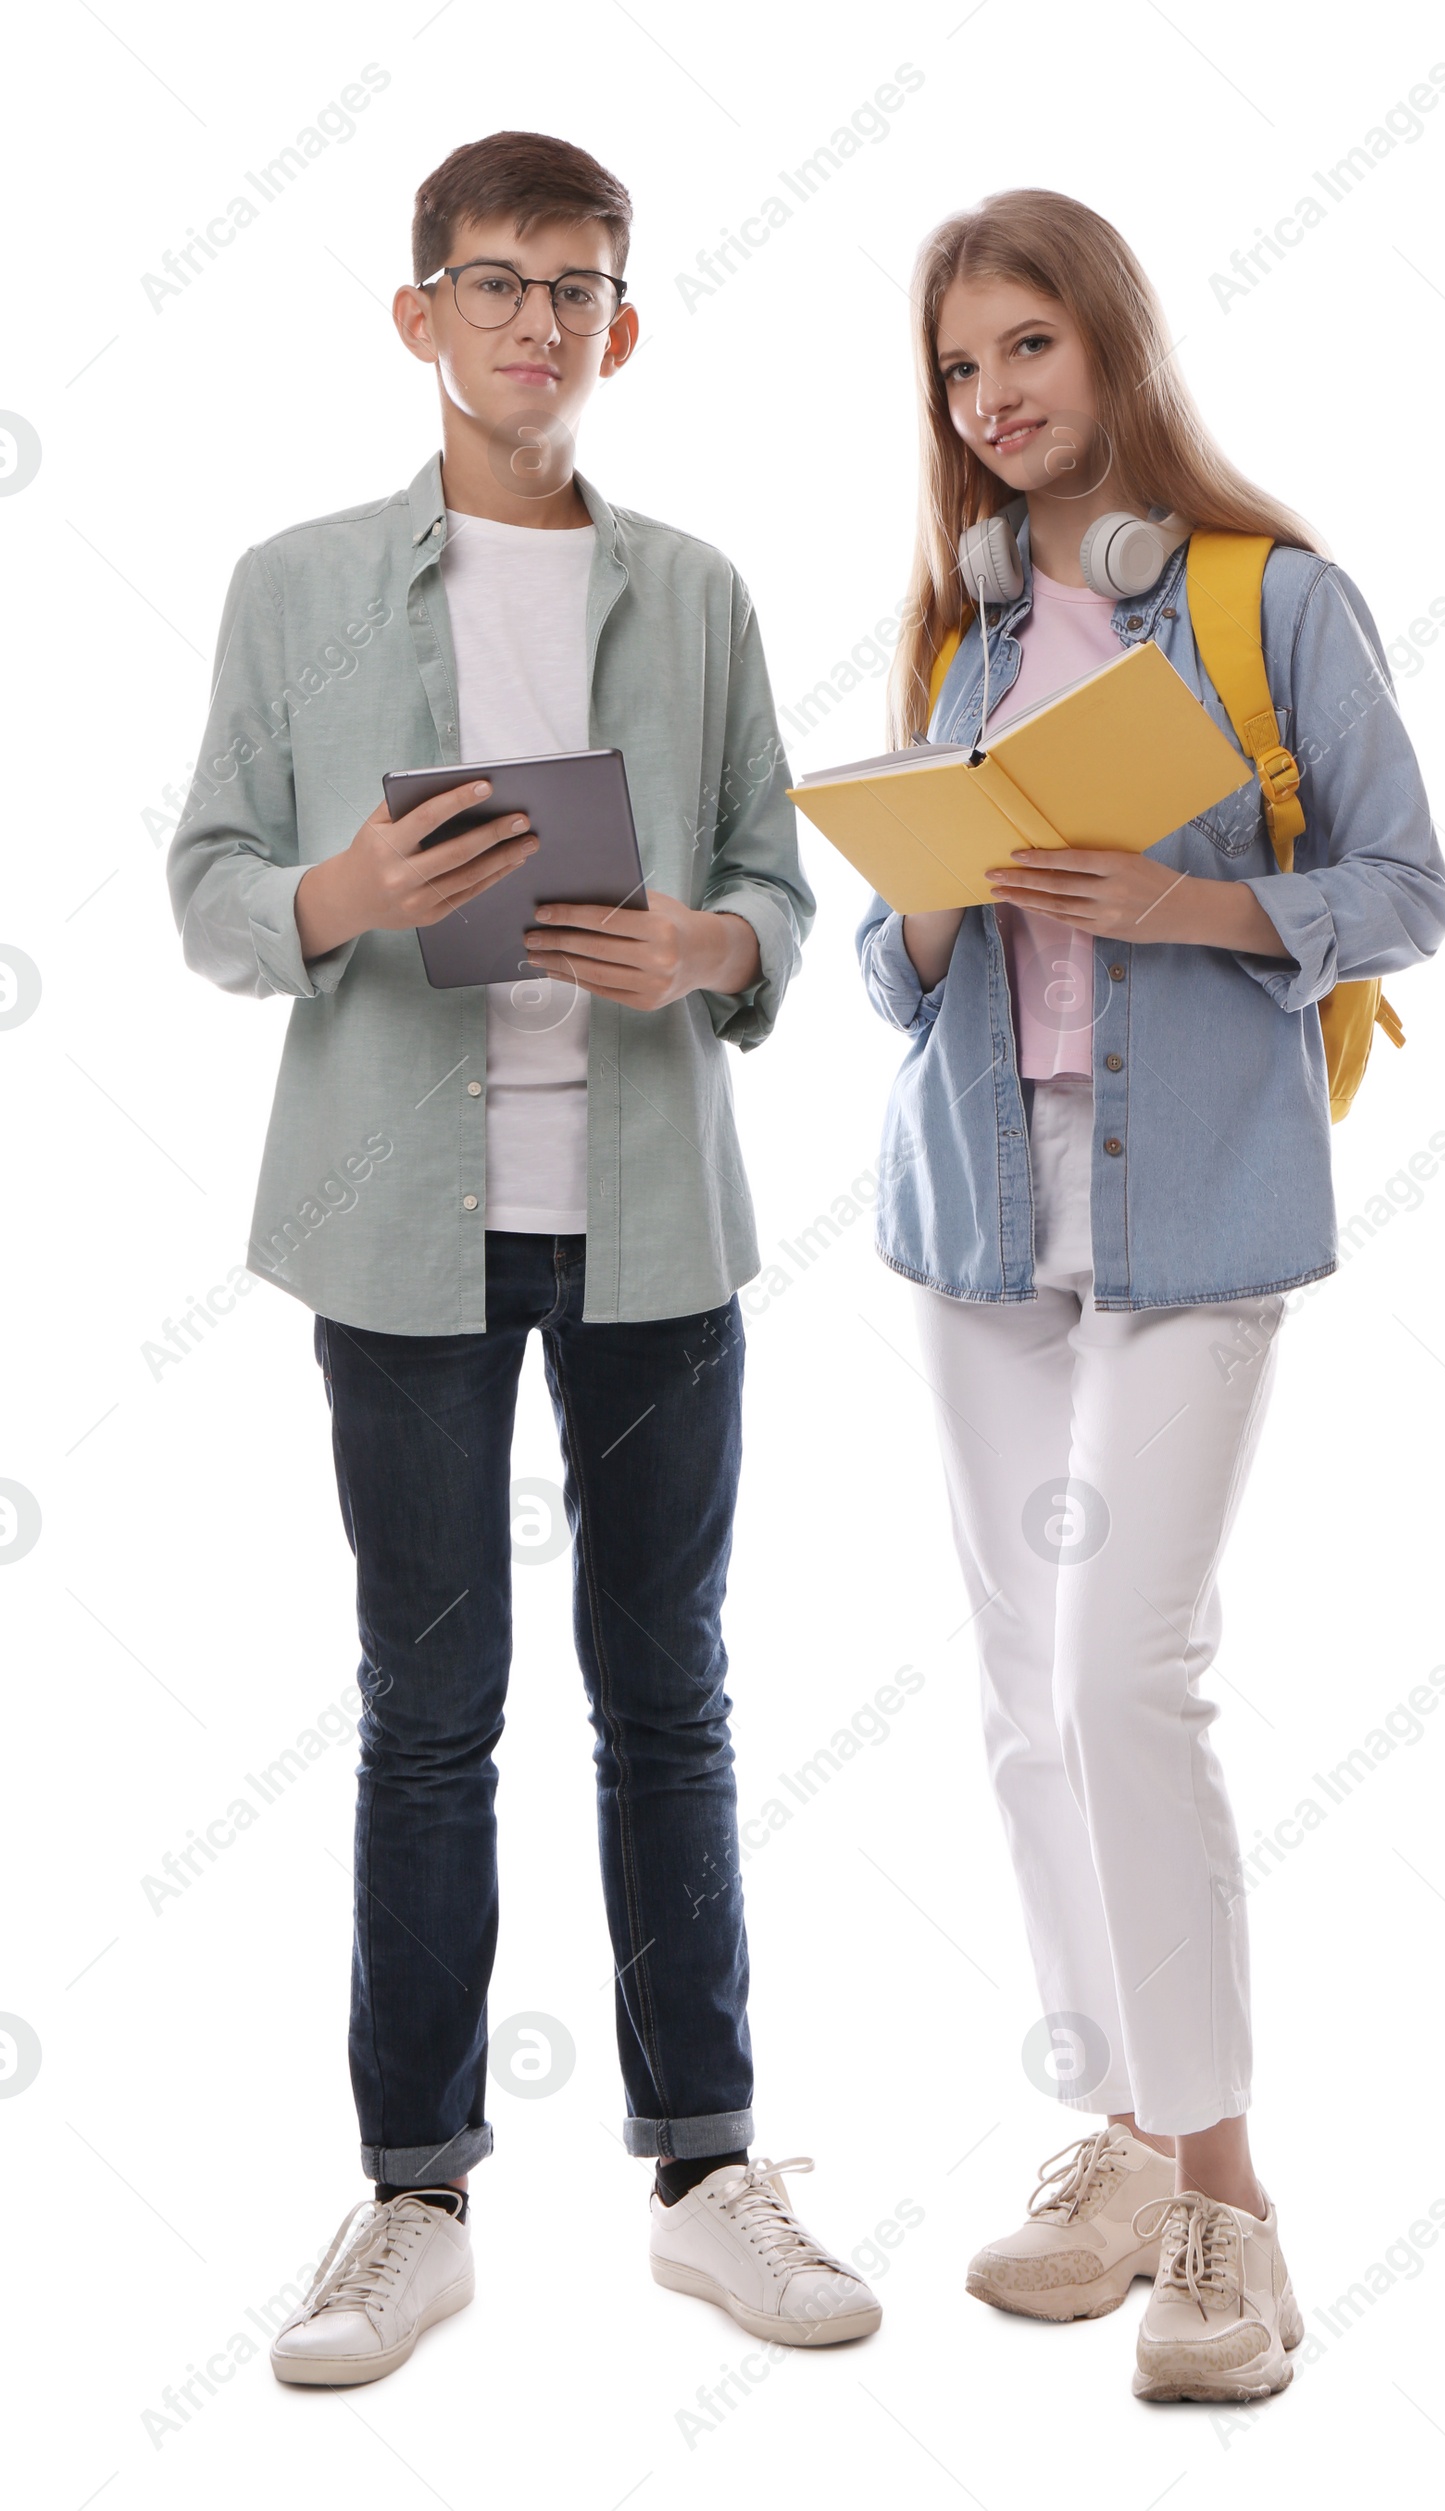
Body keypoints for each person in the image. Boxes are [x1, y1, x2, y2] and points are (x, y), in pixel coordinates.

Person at [169, 128, 880, 2386]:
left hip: (656, 1208)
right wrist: (333, 903)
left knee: (665, 1692)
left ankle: (706, 2170)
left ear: (622, 327)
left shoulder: (695, 589)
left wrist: (709, 944)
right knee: (426, 1709)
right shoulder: (290, 587)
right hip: (398, 1215)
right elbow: (203, 877)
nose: (535, 325)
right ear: (419, 317)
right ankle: (410, 2192)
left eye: (576, 289)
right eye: (495, 284)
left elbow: (779, 875)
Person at [856, 188, 1445, 2404]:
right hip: (975, 1224)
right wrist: (918, 907)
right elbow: (891, 979)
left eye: (1023, 348)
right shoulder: (962, 628)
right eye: (953, 371)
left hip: (1187, 1214)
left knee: (1126, 1676)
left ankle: (1230, 2204)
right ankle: (1118, 2136)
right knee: (1023, 1697)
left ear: (1107, 346)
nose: (992, 400)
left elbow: (1404, 885)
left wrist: (1173, 903)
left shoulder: (1264, 598)